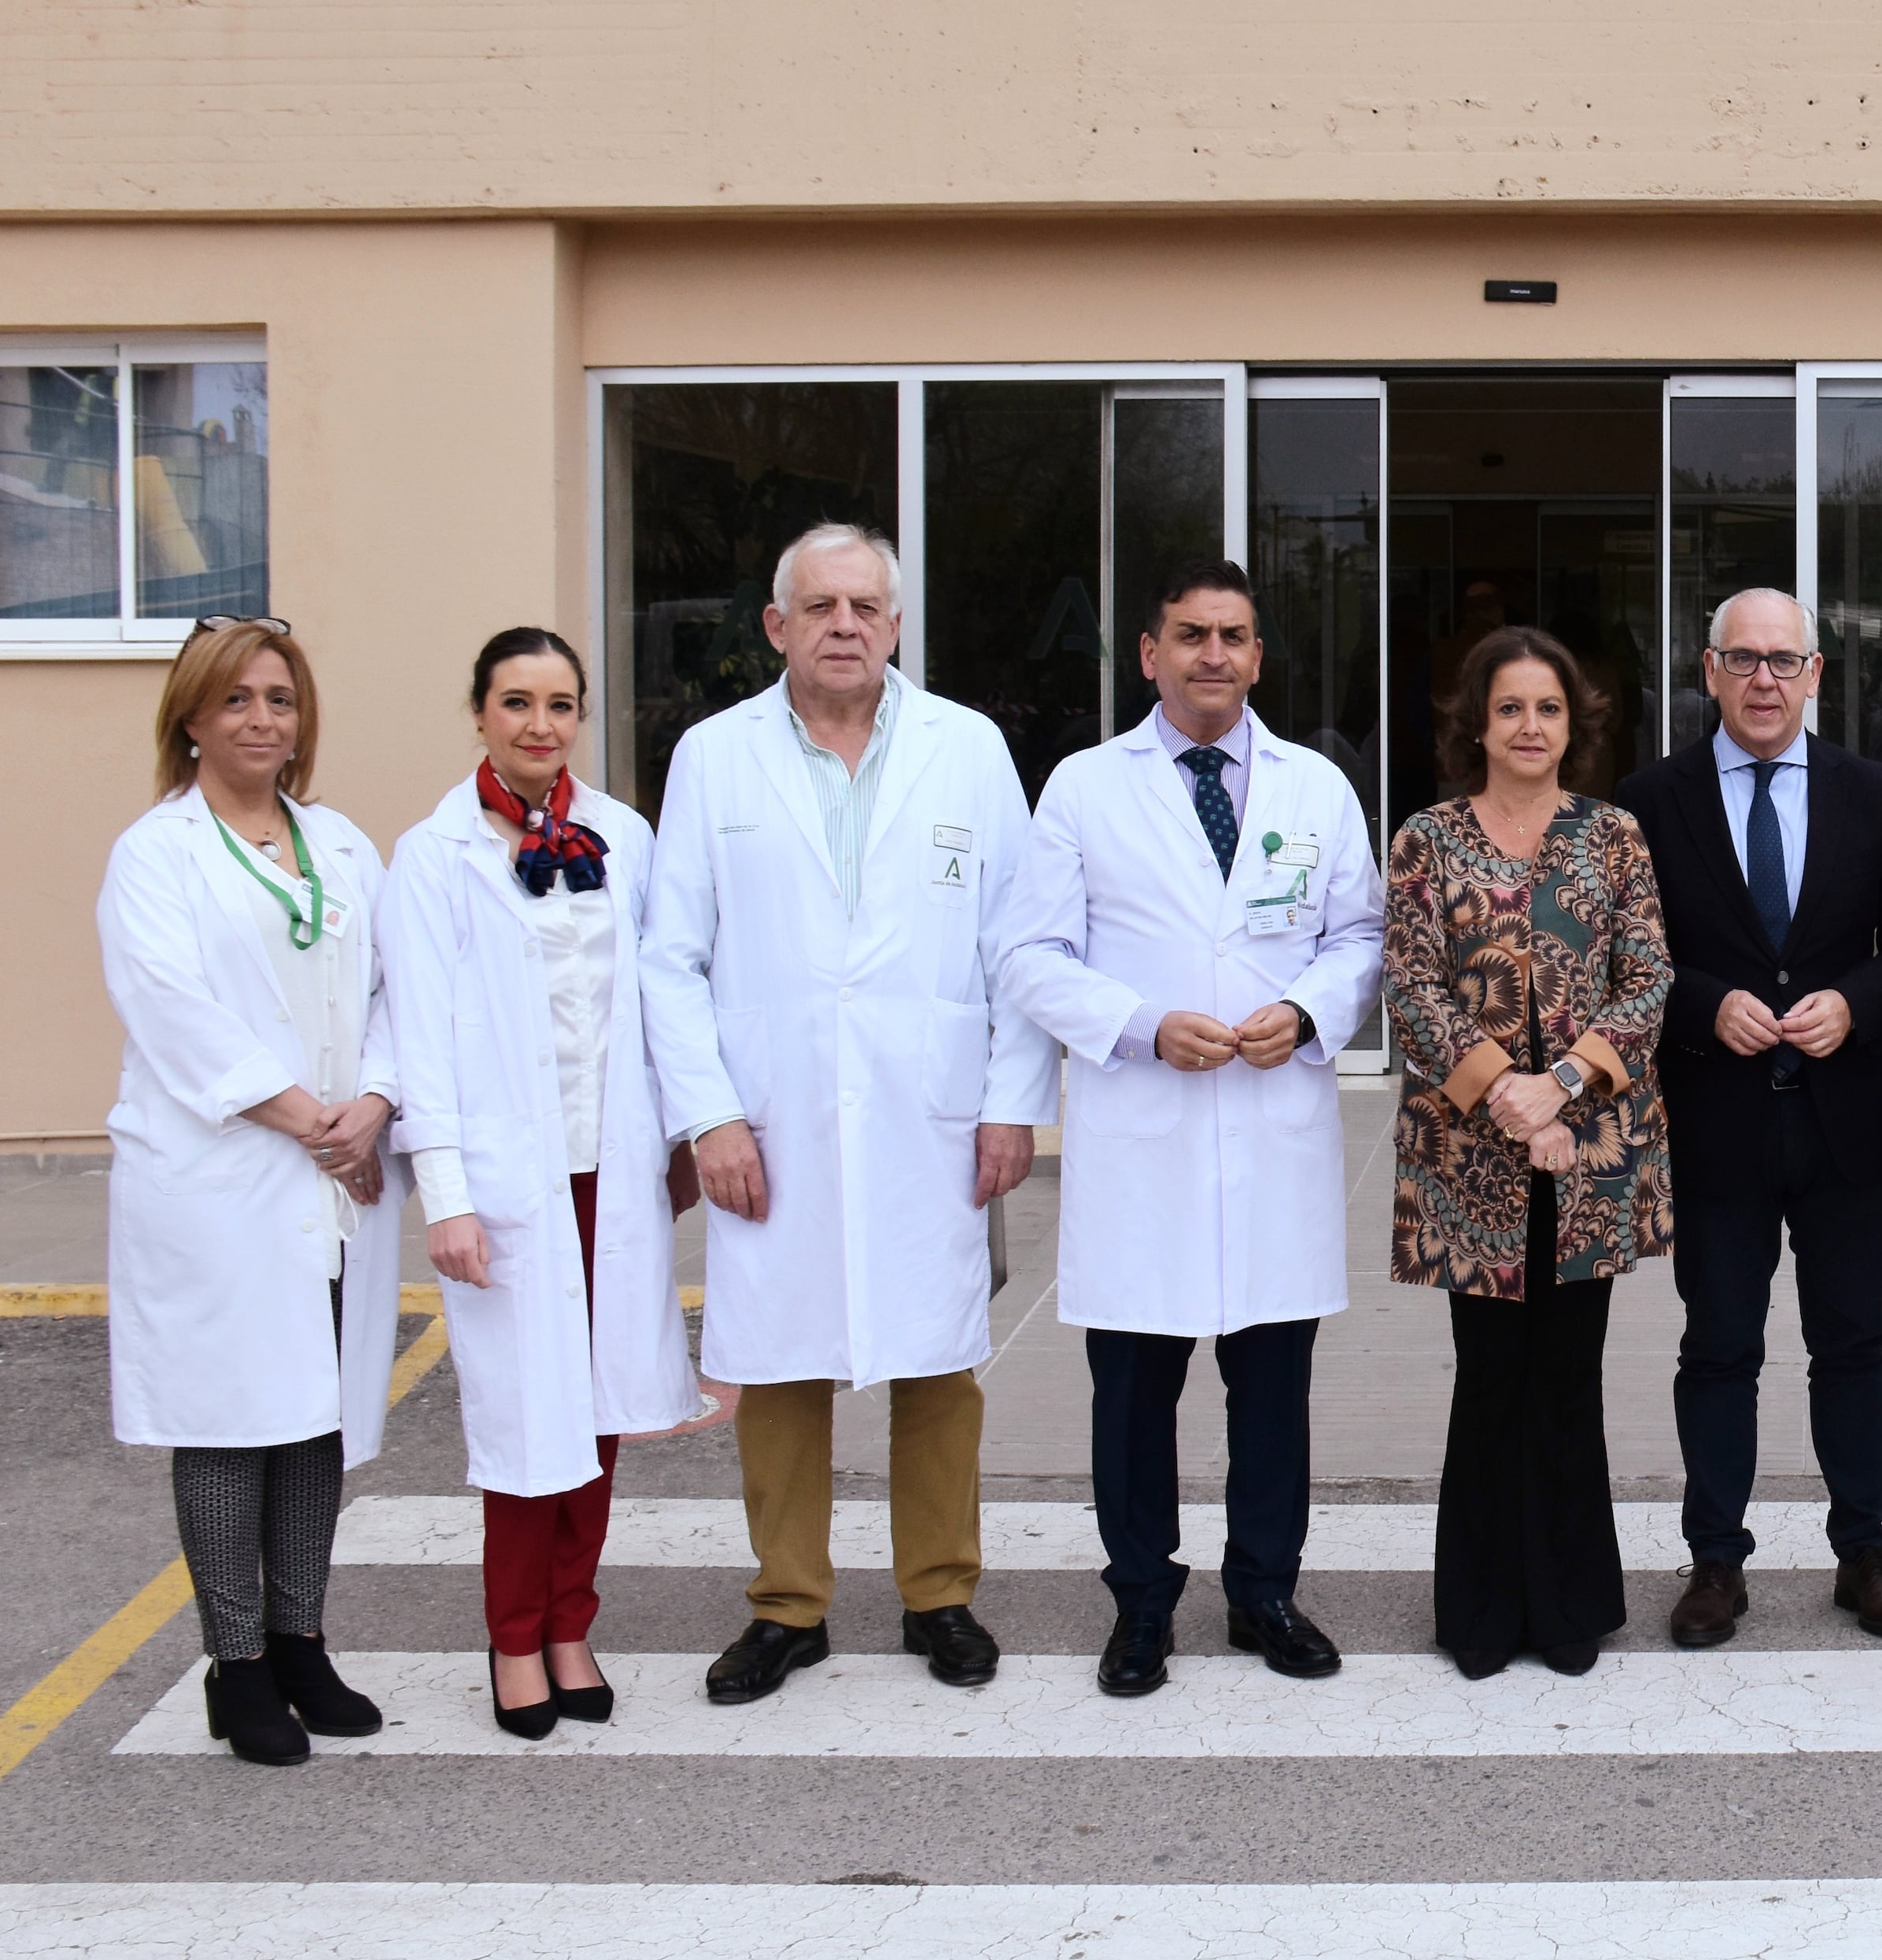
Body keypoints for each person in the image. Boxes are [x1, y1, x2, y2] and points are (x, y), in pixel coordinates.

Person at [640, 524, 1053, 1707]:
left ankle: (939, 1594)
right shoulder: (715, 756)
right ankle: (787, 1605)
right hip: (774, 1116)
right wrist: (711, 1116)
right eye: (820, 606)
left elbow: (1018, 943)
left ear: (897, 624)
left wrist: (1012, 1105)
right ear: (777, 625)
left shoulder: (967, 748)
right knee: (777, 1363)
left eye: (866, 607)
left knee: (939, 1362)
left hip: (930, 1111)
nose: (844, 626)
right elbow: (671, 957)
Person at [1001, 560, 1388, 1695]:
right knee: (1133, 1396)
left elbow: (1361, 935)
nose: (1212, 652)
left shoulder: (1319, 786)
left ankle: (1265, 1591)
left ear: (1258, 656)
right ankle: (1141, 1603)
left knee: (1272, 1393)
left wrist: (1307, 1012)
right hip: (1144, 1132)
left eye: (1232, 634)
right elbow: (1029, 954)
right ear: (1149, 653)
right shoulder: (1084, 787)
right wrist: (1138, 1026)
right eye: (1189, 634)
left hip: (1273, 1130)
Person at [382, 627, 704, 1738]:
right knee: (528, 1420)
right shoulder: (433, 856)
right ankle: (514, 1638)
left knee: (599, 1416)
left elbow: (661, 999)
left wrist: (680, 1135)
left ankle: (573, 1625)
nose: (539, 724)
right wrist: (446, 1195)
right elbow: (419, 1033)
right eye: (516, 702)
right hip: (506, 1181)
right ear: (479, 712)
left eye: (560, 704)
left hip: (609, 1172)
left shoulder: (622, 836)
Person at [96, 618, 400, 1766]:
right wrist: (310, 1115)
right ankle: (236, 1667)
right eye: (235, 700)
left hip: (334, 1171)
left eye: (280, 698)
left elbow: (396, 990)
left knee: (314, 1413)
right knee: (229, 1422)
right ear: (190, 718)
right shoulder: (156, 854)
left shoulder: (341, 845)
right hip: (222, 1178)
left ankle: (300, 1641)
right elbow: (171, 1009)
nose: (262, 718)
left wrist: (376, 1099)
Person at [1614, 589, 1882, 1648]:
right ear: (1708, 671)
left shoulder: (1871, 790)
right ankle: (1715, 1560)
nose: (1763, 679)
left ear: (1815, 675)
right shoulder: (1649, 801)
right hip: (1717, 1119)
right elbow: (1625, 955)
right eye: (1743, 659)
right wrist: (1703, 1004)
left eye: (1783, 660)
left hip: (1846, 1120)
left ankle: (1865, 1552)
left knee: (1853, 1345)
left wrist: (1859, 1002)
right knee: (1719, 1349)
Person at [1384, 626, 1673, 1679]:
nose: (1530, 726)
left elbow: (1648, 979)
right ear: (1477, 723)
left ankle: (1567, 1607)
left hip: (1591, 1154)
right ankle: (1479, 1612)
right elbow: (1410, 985)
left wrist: (1564, 1084)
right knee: (1490, 1378)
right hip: (1470, 1161)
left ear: (1573, 721)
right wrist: (1508, 1093)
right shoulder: (1427, 839)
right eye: (1509, 708)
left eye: (1548, 708)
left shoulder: (1614, 837)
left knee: (1568, 1378)